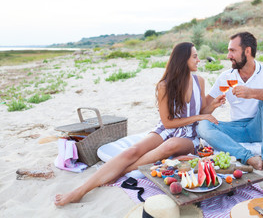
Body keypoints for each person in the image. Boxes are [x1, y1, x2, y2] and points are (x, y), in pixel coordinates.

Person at [55, 42, 222, 206]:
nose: (198, 60)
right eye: (195, 56)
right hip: (167, 129)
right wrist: (199, 117)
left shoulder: (199, 81)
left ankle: (121, 171)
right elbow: (167, 123)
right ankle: (79, 191)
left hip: (189, 135)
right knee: (132, 151)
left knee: (167, 147)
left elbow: (201, 112)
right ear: (182, 60)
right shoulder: (164, 86)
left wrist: (212, 106)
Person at [197, 32, 263, 179]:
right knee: (202, 125)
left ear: (247, 51)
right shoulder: (226, 77)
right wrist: (213, 106)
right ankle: (248, 157)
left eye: (232, 51)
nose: (228, 55)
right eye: (229, 51)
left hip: (258, 127)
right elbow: (203, 110)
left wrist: (252, 93)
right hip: (236, 129)